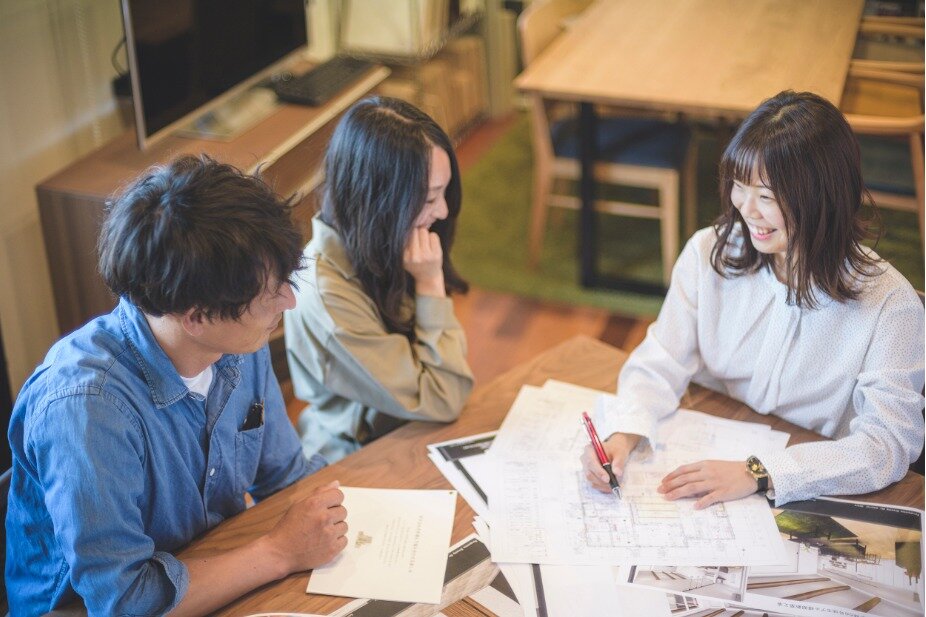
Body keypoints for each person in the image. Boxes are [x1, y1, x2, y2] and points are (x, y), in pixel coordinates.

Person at [6, 156, 348, 616]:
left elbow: (285, 476)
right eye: (272, 292)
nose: (289, 300)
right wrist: (280, 551)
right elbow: (125, 602)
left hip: (213, 567)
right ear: (197, 317)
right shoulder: (86, 410)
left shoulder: (241, 341)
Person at [581, 90, 925, 508]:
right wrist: (624, 432)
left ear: (823, 197)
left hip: (807, 481)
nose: (746, 209)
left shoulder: (892, 307)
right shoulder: (709, 252)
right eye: (740, 187)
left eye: (767, 196)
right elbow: (662, 359)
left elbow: (886, 445)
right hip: (708, 445)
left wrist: (759, 472)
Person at [285, 96, 474, 464]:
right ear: (381, 200)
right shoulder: (327, 296)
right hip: (357, 457)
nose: (444, 210)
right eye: (432, 197)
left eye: (444, 192)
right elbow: (445, 395)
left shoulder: (383, 241)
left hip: (409, 427)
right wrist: (431, 284)